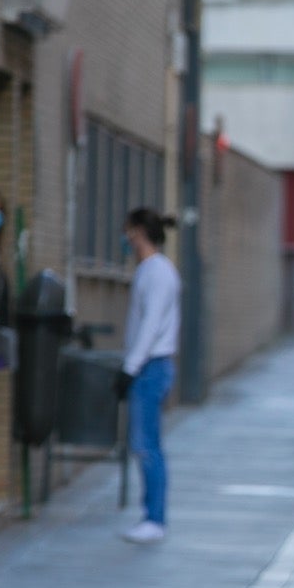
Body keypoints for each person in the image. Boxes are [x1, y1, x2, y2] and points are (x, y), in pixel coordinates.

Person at [115, 207, 180, 545]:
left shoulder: (157, 273)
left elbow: (151, 325)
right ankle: (152, 515)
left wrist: (130, 367)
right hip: (149, 365)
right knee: (145, 443)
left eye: (128, 231)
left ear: (138, 231)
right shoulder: (151, 270)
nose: (125, 238)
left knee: (147, 444)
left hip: (150, 367)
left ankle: (155, 518)